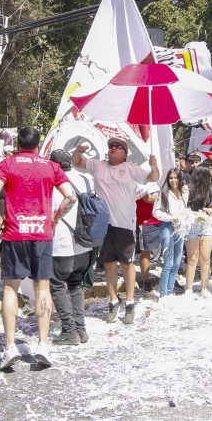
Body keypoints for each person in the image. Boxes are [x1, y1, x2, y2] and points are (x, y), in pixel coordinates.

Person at [0, 127, 75, 370]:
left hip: (14, 233)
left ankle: (10, 346)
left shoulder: (7, 164)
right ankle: (43, 344)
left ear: (18, 144)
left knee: (10, 288)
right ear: (38, 145)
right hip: (41, 233)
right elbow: (71, 196)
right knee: (42, 288)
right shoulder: (51, 166)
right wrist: (55, 218)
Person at [72, 137, 159, 323]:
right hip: (104, 224)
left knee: (127, 264)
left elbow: (153, 178)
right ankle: (113, 300)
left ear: (125, 154)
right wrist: (78, 151)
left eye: (118, 147)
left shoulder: (131, 168)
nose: (113, 148)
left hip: (125, 223)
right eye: (111, 146)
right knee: (109, 264)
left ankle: (129, 302)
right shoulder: (98, 165)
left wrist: (154, 165)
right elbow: (77, 162)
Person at [48, 149, 92, 345]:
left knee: (57, 285)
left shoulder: (53, 183)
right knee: (75, 285)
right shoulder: (84, 179)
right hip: (84, 244)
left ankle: (69, 330)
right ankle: (81, 329)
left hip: (61, 244)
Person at [153, 169, 188, 298]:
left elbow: (186, 210)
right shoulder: (163, 193)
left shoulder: (184, 193)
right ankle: (163, 293)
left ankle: (170, 290)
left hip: (181, 228)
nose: (173, 181)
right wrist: (171, 218)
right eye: (171, 178)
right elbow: (156, 212)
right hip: (168, 227)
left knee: (177, 262)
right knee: (168, 261)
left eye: (176, 178)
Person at [185, 166, 212, 297]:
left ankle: (204, 287)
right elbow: (184, 207)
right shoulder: (188, 189)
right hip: (192, 224)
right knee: (192, 258)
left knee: (205, 258)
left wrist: (211, 210)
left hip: (206, 224)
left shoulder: (211, 189)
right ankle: (189, 288)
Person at [136, 182, 162, 294]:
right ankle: (145, 281)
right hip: (145, 220)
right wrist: (166, 198)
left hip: (160, 219)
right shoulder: (140, 182)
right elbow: (147, 198)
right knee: (146, 251)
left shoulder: (157, 181)